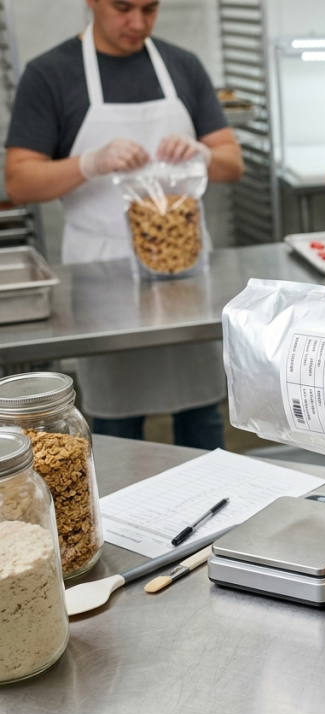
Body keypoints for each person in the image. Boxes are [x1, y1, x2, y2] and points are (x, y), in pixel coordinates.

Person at [4, 0, 244, 449]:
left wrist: (204, 153)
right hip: (103, 275)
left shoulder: (181, 66)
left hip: (184, 273)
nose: (138, 23)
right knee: (117, 427)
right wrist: (89, 162)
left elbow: (233, 163)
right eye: (123, 8)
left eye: (150, 9)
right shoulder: (51, 73)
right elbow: (18, 180)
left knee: (200, 413)